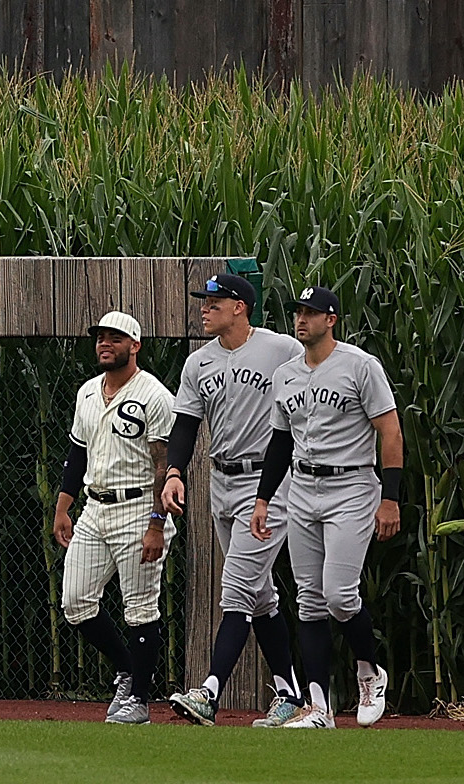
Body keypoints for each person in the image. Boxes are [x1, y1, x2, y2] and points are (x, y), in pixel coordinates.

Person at [251, 284, 405, 729]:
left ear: (331, 319)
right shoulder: (286, 374)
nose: (301, 319)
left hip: (352, 486)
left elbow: (390, 432)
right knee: (309, 602)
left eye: (312, 312)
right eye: (298, 311)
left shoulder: (359, 366)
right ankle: (318, 709)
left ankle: (370, 673)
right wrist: (264, 498)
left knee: (339, 595)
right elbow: (280, 441)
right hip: (301, 486)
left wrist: (390, 497)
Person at [159, 273, 304, 726]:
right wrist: (175, 472)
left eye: (214, 301)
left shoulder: (281, 349)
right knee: (259, 597)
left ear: (240, 306)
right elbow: (185, 423)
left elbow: (315, 382)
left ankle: (209, 692)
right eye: (204, 301)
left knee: (237, 589)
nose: (204, 309)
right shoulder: (198, 362)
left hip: (268, 483)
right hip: (221, 482)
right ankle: (290, 694)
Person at [53, 310, 174, 726]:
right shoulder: (88, 391)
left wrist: (157, 524)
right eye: (101, 337)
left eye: (115, 338)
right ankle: (127, 668)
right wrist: (63, 506)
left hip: (139, 507)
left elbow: (164, 466)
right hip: (94, 506)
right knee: (75, 602)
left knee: (140, 608)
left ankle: (138, 700)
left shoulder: (154, 395)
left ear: (134, 346)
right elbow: (77, 453)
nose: (105, 344)